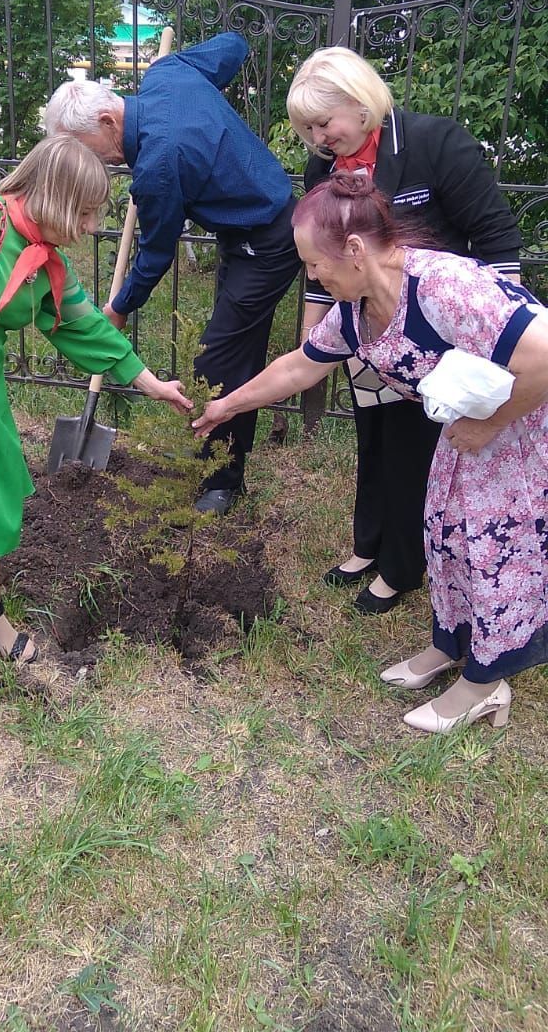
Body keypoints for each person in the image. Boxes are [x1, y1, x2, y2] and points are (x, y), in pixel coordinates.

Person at [194, 173, 548, 733]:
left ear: (354, 251)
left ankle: (485, 684)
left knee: (496, 550)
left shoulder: (443, 287)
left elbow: (545, 355)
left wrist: (490, 425)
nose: (309, 275)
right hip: (471, 431)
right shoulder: (359, 309)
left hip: (525, 431)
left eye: (314, 263)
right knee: (444, 532)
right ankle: (450, 647)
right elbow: (299, 366)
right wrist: (227, 407)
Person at [0, 135, 192, 695]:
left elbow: (78, 321)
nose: (93, 226)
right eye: (88, 212)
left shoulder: (42, 253)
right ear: (58, 198)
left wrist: (145, 380)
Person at [286, 48, 521, 613]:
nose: (319, 138)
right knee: (373, 437)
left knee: (412, 448)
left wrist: (490, 338)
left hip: (435, 334)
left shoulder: (436, 144)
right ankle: (369, 543)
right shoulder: (327, 167)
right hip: (365, 323)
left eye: (326, 122)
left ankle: (401, 566)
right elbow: (322, 261)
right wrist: (312, 337)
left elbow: (498, 242)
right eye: (309, 129)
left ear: (361, 101)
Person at [44, 32, 302, 515]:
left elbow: (156, 255)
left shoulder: (159, 165)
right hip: (244, 231)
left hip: (267, 241)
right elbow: (233, 46)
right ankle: (219, 460)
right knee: (235, 352)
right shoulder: (168, 75)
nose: (93, 160)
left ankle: (222, 481)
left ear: (106, 120)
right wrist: (201, 104)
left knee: (219, 362)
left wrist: (118, 308)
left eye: (89, 149)